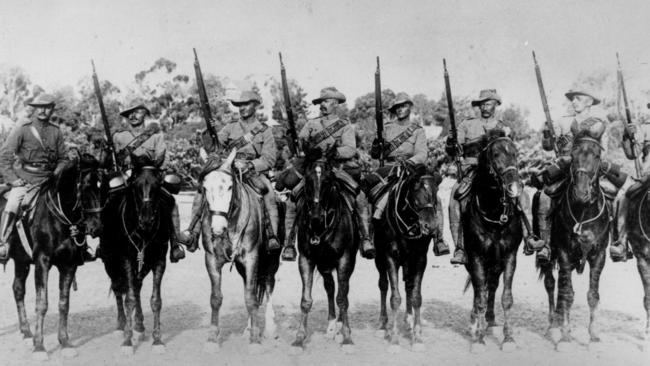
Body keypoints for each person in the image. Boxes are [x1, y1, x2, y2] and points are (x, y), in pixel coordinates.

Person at [277, 87, 375, 259]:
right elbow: (301, 144)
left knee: (359, 196)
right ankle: (289, 243)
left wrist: (334, 153)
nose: (323, 104)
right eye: (321, 101)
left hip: (336, 168)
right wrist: (295, 140)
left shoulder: (345, 126)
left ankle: (366, 238)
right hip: (313, 167)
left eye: (327, 101)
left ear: (336, 104)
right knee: (294, 197)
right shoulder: (311, 124)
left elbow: (350, 148)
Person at [445, 89, 541, 265]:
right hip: (473, 168)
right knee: (455, 196)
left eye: (488, 103)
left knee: (521, 194)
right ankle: (460, 247)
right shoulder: (466, 125)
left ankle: (529, 237)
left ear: (495, 105)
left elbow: (509, 150)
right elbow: (453, 150)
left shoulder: (502, 126)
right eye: (482, 104)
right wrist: (451, 141)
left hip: (499, 171)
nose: (485, 107)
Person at [534, 90, 627, 262]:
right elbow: (548, 147)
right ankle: (545, 245)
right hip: (564, 169)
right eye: (573, 99)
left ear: (589, 102)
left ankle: (618, 242)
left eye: (578, 98)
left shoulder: (599, 124)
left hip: (591, 172)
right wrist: (547, 132)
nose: (574, 101)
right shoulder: (562, 121)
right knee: (544, 197)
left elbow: (604, 153)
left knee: (619, 196)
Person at [183, 91, 281, 254]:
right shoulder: (230, 127)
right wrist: (209, 132)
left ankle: (272, 236)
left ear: (255, 106)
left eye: (246, 104)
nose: (242, 108)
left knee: (269, 194)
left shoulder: (265, 131)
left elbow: (269, 159)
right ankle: (192, 232)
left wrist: (249, 165)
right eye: (239, 105)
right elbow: (214, 146)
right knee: (202, 190)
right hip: (228, 168)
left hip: (252, 171)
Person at [366, 92, 448, 254]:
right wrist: (377, 143)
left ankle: (438, 238)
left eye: (403, 106)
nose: (400, 110)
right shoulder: (386, 128)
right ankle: (368, 235)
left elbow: (422, 154)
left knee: (433, 197)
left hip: (412, 168)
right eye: (397, 107)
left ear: (409, 108)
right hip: (389, 167)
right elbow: (375, 154)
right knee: (368, 190)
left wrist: (409, 163)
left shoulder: (417, 131)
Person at [110, 103, 191, 263]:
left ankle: (174, 243)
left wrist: (158, 171)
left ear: (144, 114)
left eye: (137, 112)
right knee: (111, 200)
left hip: (150, 175)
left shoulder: (156, 136)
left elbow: (163, 156)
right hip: (128, 175)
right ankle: (106, 241)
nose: (133, 116)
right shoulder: (119, 136)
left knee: (170, 201)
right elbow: (114, 160)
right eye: (129, 113)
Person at [0, 94, 69, 261]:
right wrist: (13, 179)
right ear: (34, 109)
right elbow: (5, 155)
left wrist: (56, 173)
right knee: (14, 201)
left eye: (47, 107)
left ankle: (79, 246)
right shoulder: (23, 128)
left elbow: (63, 159)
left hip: (50, 180)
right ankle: (3, 242)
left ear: (52, 109)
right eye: (40, 107)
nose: (43, 110)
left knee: (72, 201)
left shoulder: (55, 131)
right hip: (26, 179)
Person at [612, 102, 650, 261]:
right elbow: (633, 154)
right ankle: (621, 242)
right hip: (647, 173)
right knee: (622, 197)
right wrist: (629, 136)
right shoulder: (645, 129)